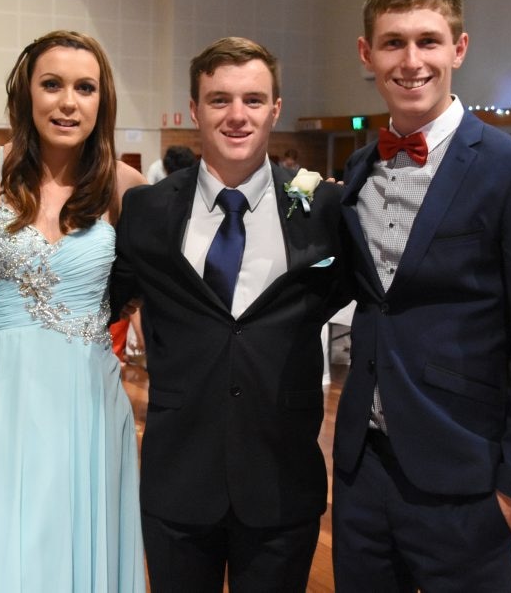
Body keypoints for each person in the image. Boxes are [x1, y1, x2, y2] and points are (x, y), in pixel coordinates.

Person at [334, 0, 511, 591]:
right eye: (392, 42)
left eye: (428, 41)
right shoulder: (360, 166)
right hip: (364, 473)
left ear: (459, 50)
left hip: (467, 481)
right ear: (367, 54)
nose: (411, 60)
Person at [112, 36, 348, 591]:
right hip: (178, 478)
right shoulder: (147, 211)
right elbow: (103, 300)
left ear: (275, 109)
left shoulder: (323, 209)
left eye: (253, 99)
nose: (237, 115)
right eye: (219, 100)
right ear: (194, 110)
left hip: (281, 479)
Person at [0, 30, 146, 592]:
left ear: (101, 100)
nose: (68, 101)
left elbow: (144, 287)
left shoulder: (124, 187)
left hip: (86, 396)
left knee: (73, 536)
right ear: (26, 94)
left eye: (84, 87)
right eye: (52, 85)